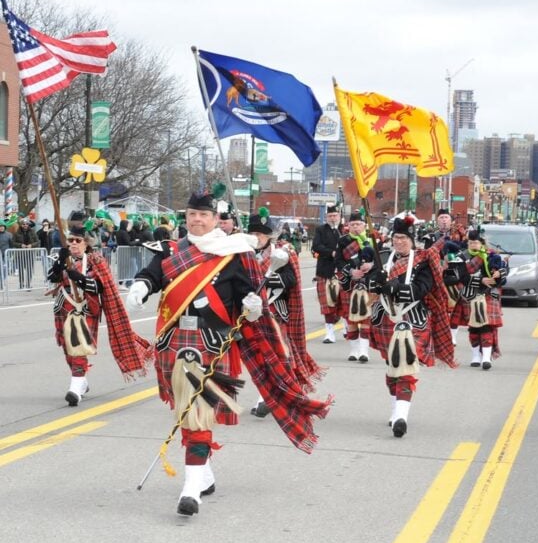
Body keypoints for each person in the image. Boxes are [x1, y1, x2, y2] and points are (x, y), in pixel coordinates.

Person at [127, 191, 330, 517]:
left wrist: (252, 304)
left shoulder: (233, 253)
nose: (196, 220)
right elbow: (154, 273)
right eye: (191, 214)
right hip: (174, 340)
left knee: (197, 414)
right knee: (186, 410)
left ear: (215, 218)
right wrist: (142, 285)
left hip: (211, 343)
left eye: (203, 215)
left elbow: (247, 291)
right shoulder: (171, 250)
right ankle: (203, 473)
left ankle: (191, 490)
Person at [367, 215, 456, 437]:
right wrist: (376, 282)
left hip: (413, 319)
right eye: (396, 237)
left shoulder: (423, 261)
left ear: (412, 240)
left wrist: (394, 287)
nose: (399, 242)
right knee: (392, 367)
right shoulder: (384, 258)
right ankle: (395, 408)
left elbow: (422, 288)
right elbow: (369, 287)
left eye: (403, 238)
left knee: (405, 366)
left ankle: (401, 417)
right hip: (386, 318)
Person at [47, 219, 150, 406]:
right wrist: (61, 262)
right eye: (70, 240)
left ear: (86, 242)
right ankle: (81, 381)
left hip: (85, 309)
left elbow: (99, 287)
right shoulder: (63, 258)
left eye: (78, 240)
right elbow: (52, 278)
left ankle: (75, 388)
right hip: (64, 308)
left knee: (79, 347)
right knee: (68, 350)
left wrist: (79, 278)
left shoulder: (96, 261)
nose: (73, 244)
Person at [247, 207, 324, 417]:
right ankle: (273, 395)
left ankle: (266, 398)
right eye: (253, 234)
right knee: (260, 359)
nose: (257, 238)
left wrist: (274, 280)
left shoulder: (281, 253)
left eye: (260, 235)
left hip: (275, 312)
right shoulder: (242, 255)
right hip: (251, 314)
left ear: (268, 236)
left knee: (278, 356)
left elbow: (291, 280)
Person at [454, 228, 505, 370]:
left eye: (475, 242)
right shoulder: (462, 257)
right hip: (470, 295)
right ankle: (476, 355)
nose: (473, 245)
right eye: (470, 242)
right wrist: (481, 280)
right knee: (474, 328)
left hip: (488, 295)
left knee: (486, 326)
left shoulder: (492, 256)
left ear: (482, 243)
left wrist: (498, 275)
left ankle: (486, 358)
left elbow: (502, 277)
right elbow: (461, 277)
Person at [336, 211, 377, 362]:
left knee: (366, 317)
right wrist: (351, 271)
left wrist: (371, 265)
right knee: (351, 317)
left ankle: (364, 351)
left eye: (358, 224)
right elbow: (338, 262)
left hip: (368, 282)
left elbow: (382, 259)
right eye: (352, 225)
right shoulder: (343, 241)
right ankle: (353, 350)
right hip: (350, 282)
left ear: (364, 225)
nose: (355, 227)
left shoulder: (372, 240)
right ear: (348, 226)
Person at [312, 205, 346, 343]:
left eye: (335, 215)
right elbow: (316, 246)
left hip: (343, 271)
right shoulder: (321, 230)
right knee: (327, 304)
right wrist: (331, 252)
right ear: (327, 217)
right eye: (330, 216)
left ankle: (346, 327)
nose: (333, 218)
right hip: (325, 270)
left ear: (339, 216)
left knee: (344, 301)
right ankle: (329, 333)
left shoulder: (344, 230)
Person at [12, 217, 40, 289]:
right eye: (23, 224)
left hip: (30, 253)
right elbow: (13, 242)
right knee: (21, 269)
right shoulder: (16, 233)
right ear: (21, 225)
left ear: (28, 224)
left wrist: (31, 245)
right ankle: (21, 284)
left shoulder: (32, 232)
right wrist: (20, 245)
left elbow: (37, 242)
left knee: (29, 269)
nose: (25, 225)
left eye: (26, 224)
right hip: (20, 254)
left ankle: (28, 284)